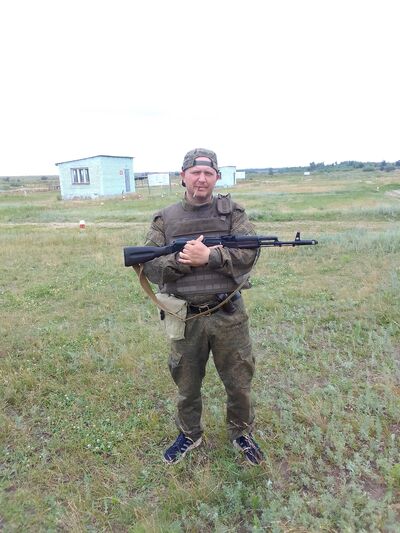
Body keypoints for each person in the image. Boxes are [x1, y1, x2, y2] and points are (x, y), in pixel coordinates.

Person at [143, 148, 264, 466]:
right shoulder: (164, 219)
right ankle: (189, 434)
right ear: (182, 176)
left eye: (208, 173)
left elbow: (250, 252)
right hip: (186, 317)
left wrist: (210, 256)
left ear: (217, 177)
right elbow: (149, 265)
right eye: (195, 173)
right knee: (186, 383)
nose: (201, 179)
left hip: (228, 314)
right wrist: (185, 260)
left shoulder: (233, 214)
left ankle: (241, 433)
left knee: (239, 381)